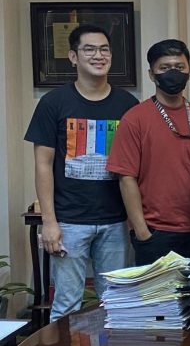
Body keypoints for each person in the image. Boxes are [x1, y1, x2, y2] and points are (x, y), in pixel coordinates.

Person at [24, 24, 139, 321]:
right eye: (89, 49)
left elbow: (136, 166)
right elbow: (42, 164)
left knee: (115, 305)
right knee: (66, 305)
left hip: (116, 223)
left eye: (104, 49)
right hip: (69, 222)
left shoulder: (128, 105)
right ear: (73, 57)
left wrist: (133, 218)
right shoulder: (53, 103)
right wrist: (49, 222)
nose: (98, 55)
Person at [106, 39, 190, 265]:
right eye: (165, 68)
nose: (173, 73)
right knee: (156, 300)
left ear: (189, 71)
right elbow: (126, 178)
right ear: (151, 74)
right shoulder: (135, 119)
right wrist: (142, 232)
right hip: (155, 232)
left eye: (179, 67)